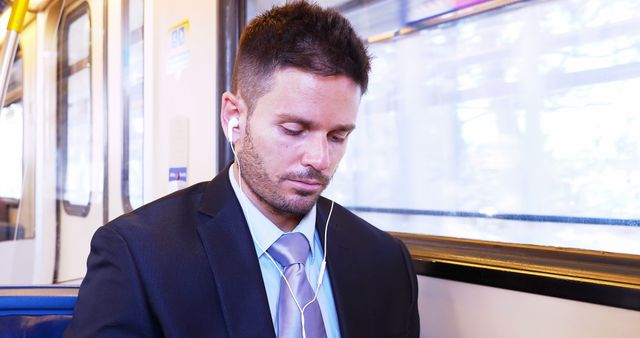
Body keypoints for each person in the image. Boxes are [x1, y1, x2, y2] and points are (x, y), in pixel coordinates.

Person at [65, 2, 419, 337]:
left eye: (338, 136)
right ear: (234, 117)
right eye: (294, 130)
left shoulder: (385, 262)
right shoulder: (138, 256)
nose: (320, 159)